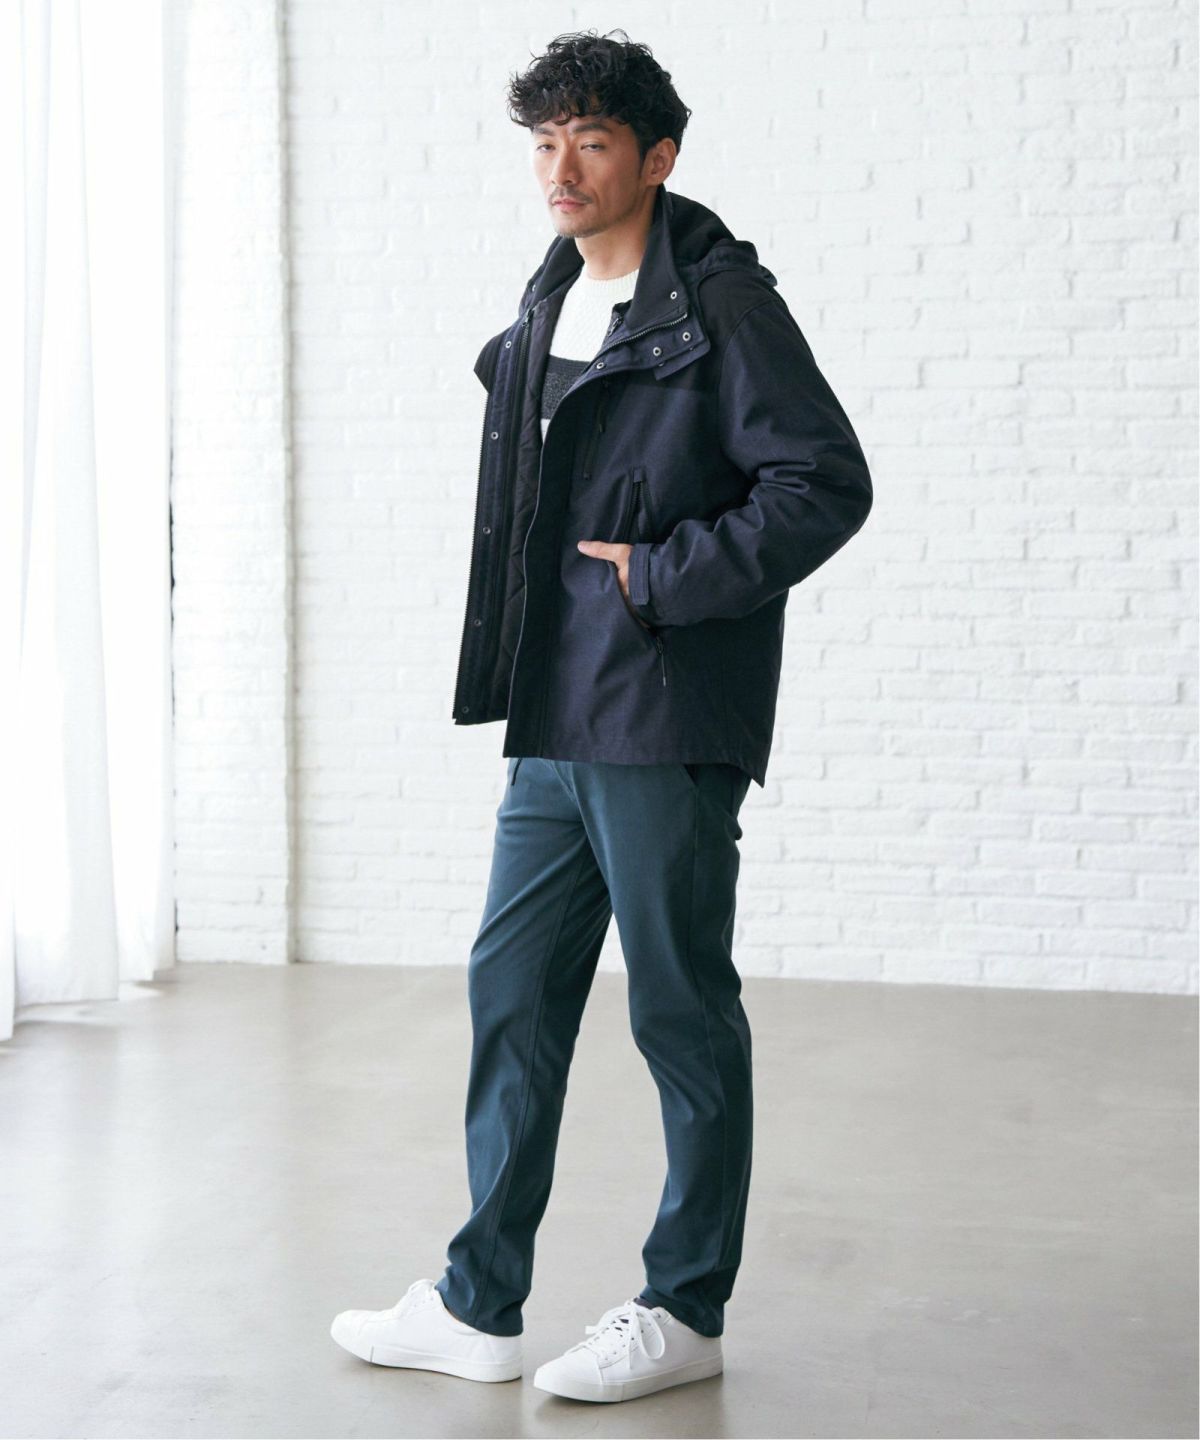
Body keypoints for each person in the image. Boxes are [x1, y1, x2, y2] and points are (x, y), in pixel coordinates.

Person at [331, 27, 872, 1404]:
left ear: (658, 156)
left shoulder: (723, 305)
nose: (561, 168)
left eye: (592, 141)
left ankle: (685, 1308)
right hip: (555, 712)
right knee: (513, 994)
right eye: (544, 142)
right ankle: (479, 1302)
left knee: (680, 1013)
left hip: (663, 711)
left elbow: (824, 482)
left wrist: (665, 577)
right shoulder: (552, 294)